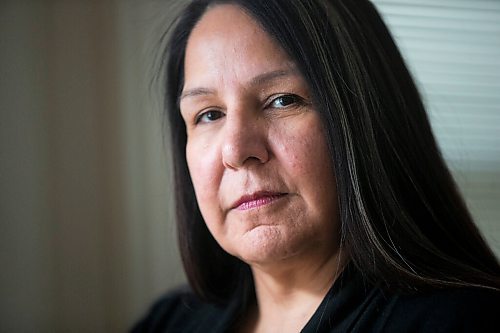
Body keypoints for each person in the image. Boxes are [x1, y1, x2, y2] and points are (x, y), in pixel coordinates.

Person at [133, 0, 500, 332]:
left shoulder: (462, 321)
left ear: (368, 121)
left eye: (281, 100)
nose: (235, 150)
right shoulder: (169, 322)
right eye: (209, 114)